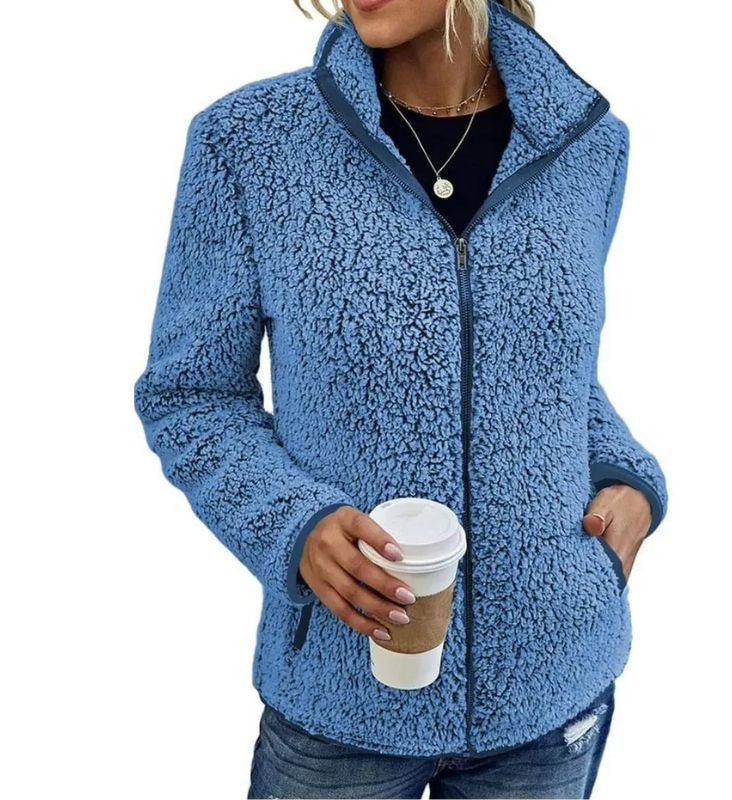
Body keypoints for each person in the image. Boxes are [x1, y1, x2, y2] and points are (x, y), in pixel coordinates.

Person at [133, 0, 668, 797]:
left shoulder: (590, 146)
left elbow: (550, 370)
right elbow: (193, 395)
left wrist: (627, 476)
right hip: (342, 700)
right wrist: (294, 523)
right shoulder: (248, 143)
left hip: (551, 692)